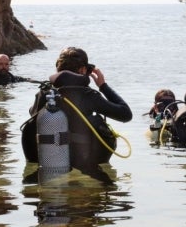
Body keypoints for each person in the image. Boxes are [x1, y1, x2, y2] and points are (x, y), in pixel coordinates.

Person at [26, 47, 132, 179]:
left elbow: (32, 114)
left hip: (49, 159)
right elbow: (126, 114)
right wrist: (103, 86)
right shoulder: (88, 95)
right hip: (83, 161)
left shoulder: (45, 93)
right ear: (83, 69)